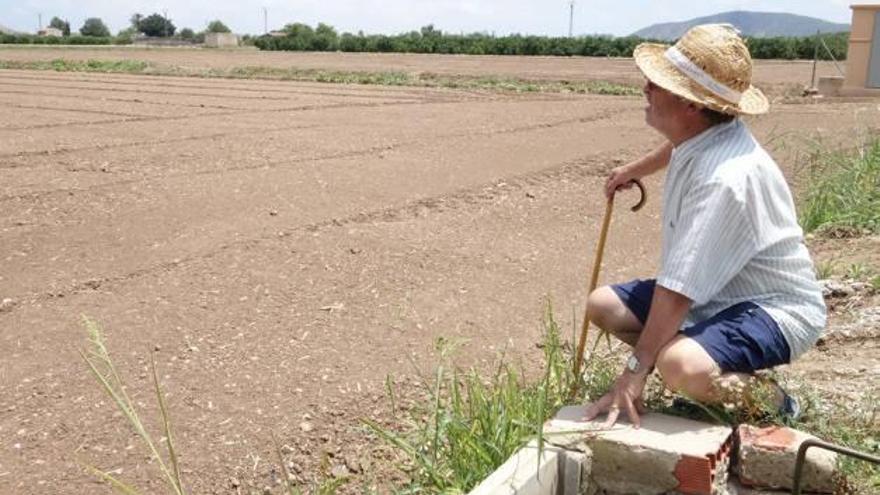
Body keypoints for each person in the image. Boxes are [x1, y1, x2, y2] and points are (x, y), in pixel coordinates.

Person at [582, 24, 826, 428]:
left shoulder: (724, 181)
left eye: (657, 83)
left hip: (772, 306)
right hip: (716, 291)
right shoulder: (705, 130)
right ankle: (694, 354)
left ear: (691, 104)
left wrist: (633, 370)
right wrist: (637, 168)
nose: (646, 87)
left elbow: (677, 292)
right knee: (604, 306)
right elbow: (679, 143)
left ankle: (775, 403)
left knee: (680, 366)